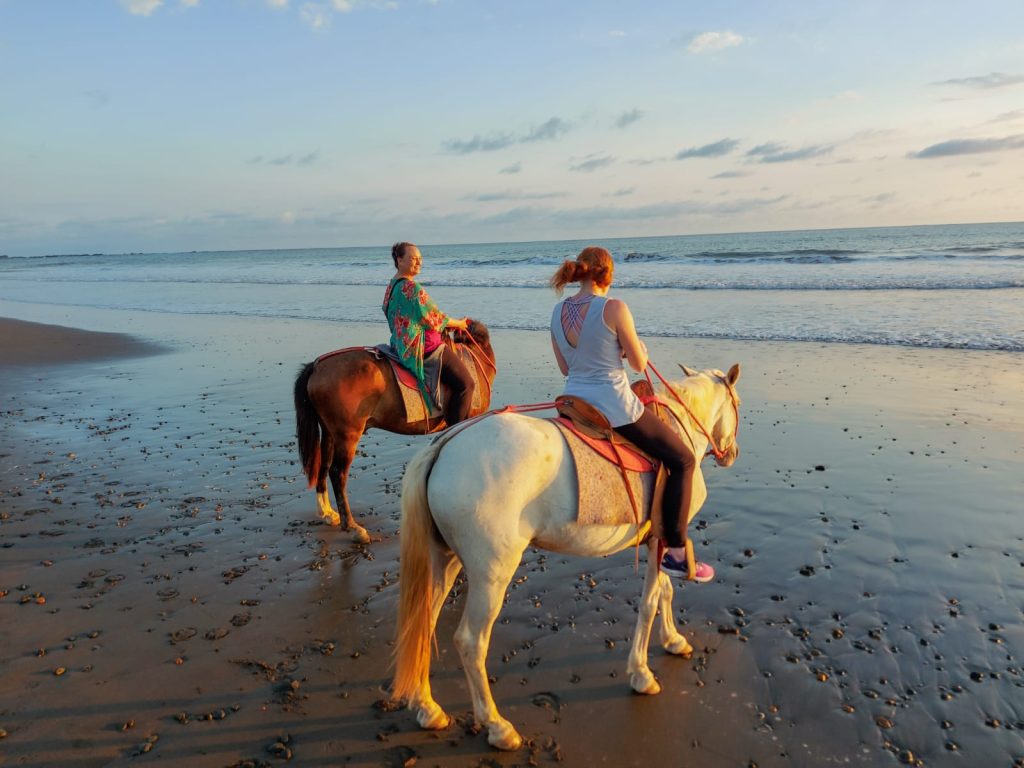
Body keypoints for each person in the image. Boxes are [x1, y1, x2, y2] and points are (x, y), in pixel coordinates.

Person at [549, 246, 712, 582]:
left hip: (574, 400)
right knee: (683, 460)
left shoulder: (557, 311)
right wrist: (632, 350)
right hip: (613, 404)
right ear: (607, 274)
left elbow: (566, 365)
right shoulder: (614, 307)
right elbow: (638, 364)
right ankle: (678, 554)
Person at [384, 242, 475, 425]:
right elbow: (435, 318)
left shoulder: (391, 287)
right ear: (399, 260)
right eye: (413, 259)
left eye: (420, 259)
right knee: (466, 385)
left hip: (399, 344)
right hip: (423, 347)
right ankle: (453, 432)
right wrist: (460, 323)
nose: (418, 263)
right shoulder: (412, 288)